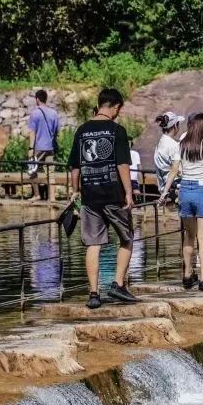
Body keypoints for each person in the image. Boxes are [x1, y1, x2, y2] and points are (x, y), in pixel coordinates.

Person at [68, 88, 140, 309]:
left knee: (93, 244)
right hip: (113, 194)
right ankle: (118, 284)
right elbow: (122, 164)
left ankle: (93, 293)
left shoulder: (81, 130)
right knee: (127, 237)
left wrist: (75, 190)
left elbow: (75, 166)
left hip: (90, 195)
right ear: (116, 107)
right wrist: (128, 192)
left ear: (99, 104)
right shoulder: (117, 130)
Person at [159, 113, 203, 290]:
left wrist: (164, 193)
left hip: (185, 190)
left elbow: (174, 170)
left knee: (189, 236)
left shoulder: (182, 143)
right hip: (202, 190)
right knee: (202, 238)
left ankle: (187, 275)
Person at [27, 89, 59, 201]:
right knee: (51, 172)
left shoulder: (34, 113)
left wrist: (31, 148)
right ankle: (52, 197)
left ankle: (37, 195)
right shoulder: (53, 113)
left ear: (37, 99)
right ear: (46, 99)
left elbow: (32, 132)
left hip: (38, 147)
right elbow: (56, 131)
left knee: (32, 170)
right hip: (50, 147)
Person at [152, 112, 184, 198]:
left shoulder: (160, 143)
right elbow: (178, 170)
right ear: (175, 126)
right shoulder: (173, 145)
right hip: (175, 187)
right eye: (178, 124)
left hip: (163, 187)